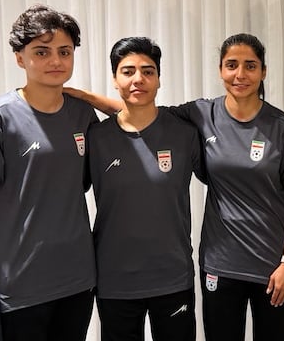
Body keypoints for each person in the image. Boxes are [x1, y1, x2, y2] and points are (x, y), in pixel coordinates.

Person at [68, 33, 284, 341]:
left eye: (250, 66)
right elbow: (140, 110)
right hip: (214, 265)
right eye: (231, 65)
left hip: (264, 264)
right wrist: (82, 97)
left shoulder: (280, 127)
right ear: (220, 70)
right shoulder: (198, 115)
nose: (240, 74)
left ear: (263, 72)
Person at [0, 4, 98, 340]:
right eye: (42, 52)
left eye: (64, 52)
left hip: (76, 277)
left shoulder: (82, 115)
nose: (56, 61)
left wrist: (90, 97)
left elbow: (141, 121)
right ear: (20, 58)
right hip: (19, 282)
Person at [89, 37, 202, 340]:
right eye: (127, 71)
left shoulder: (185, 134)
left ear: (159, 79)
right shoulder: (96, 138)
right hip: (114, 280)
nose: (138, 79)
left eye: (148, 71)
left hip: (172, 277)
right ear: (114, 80)